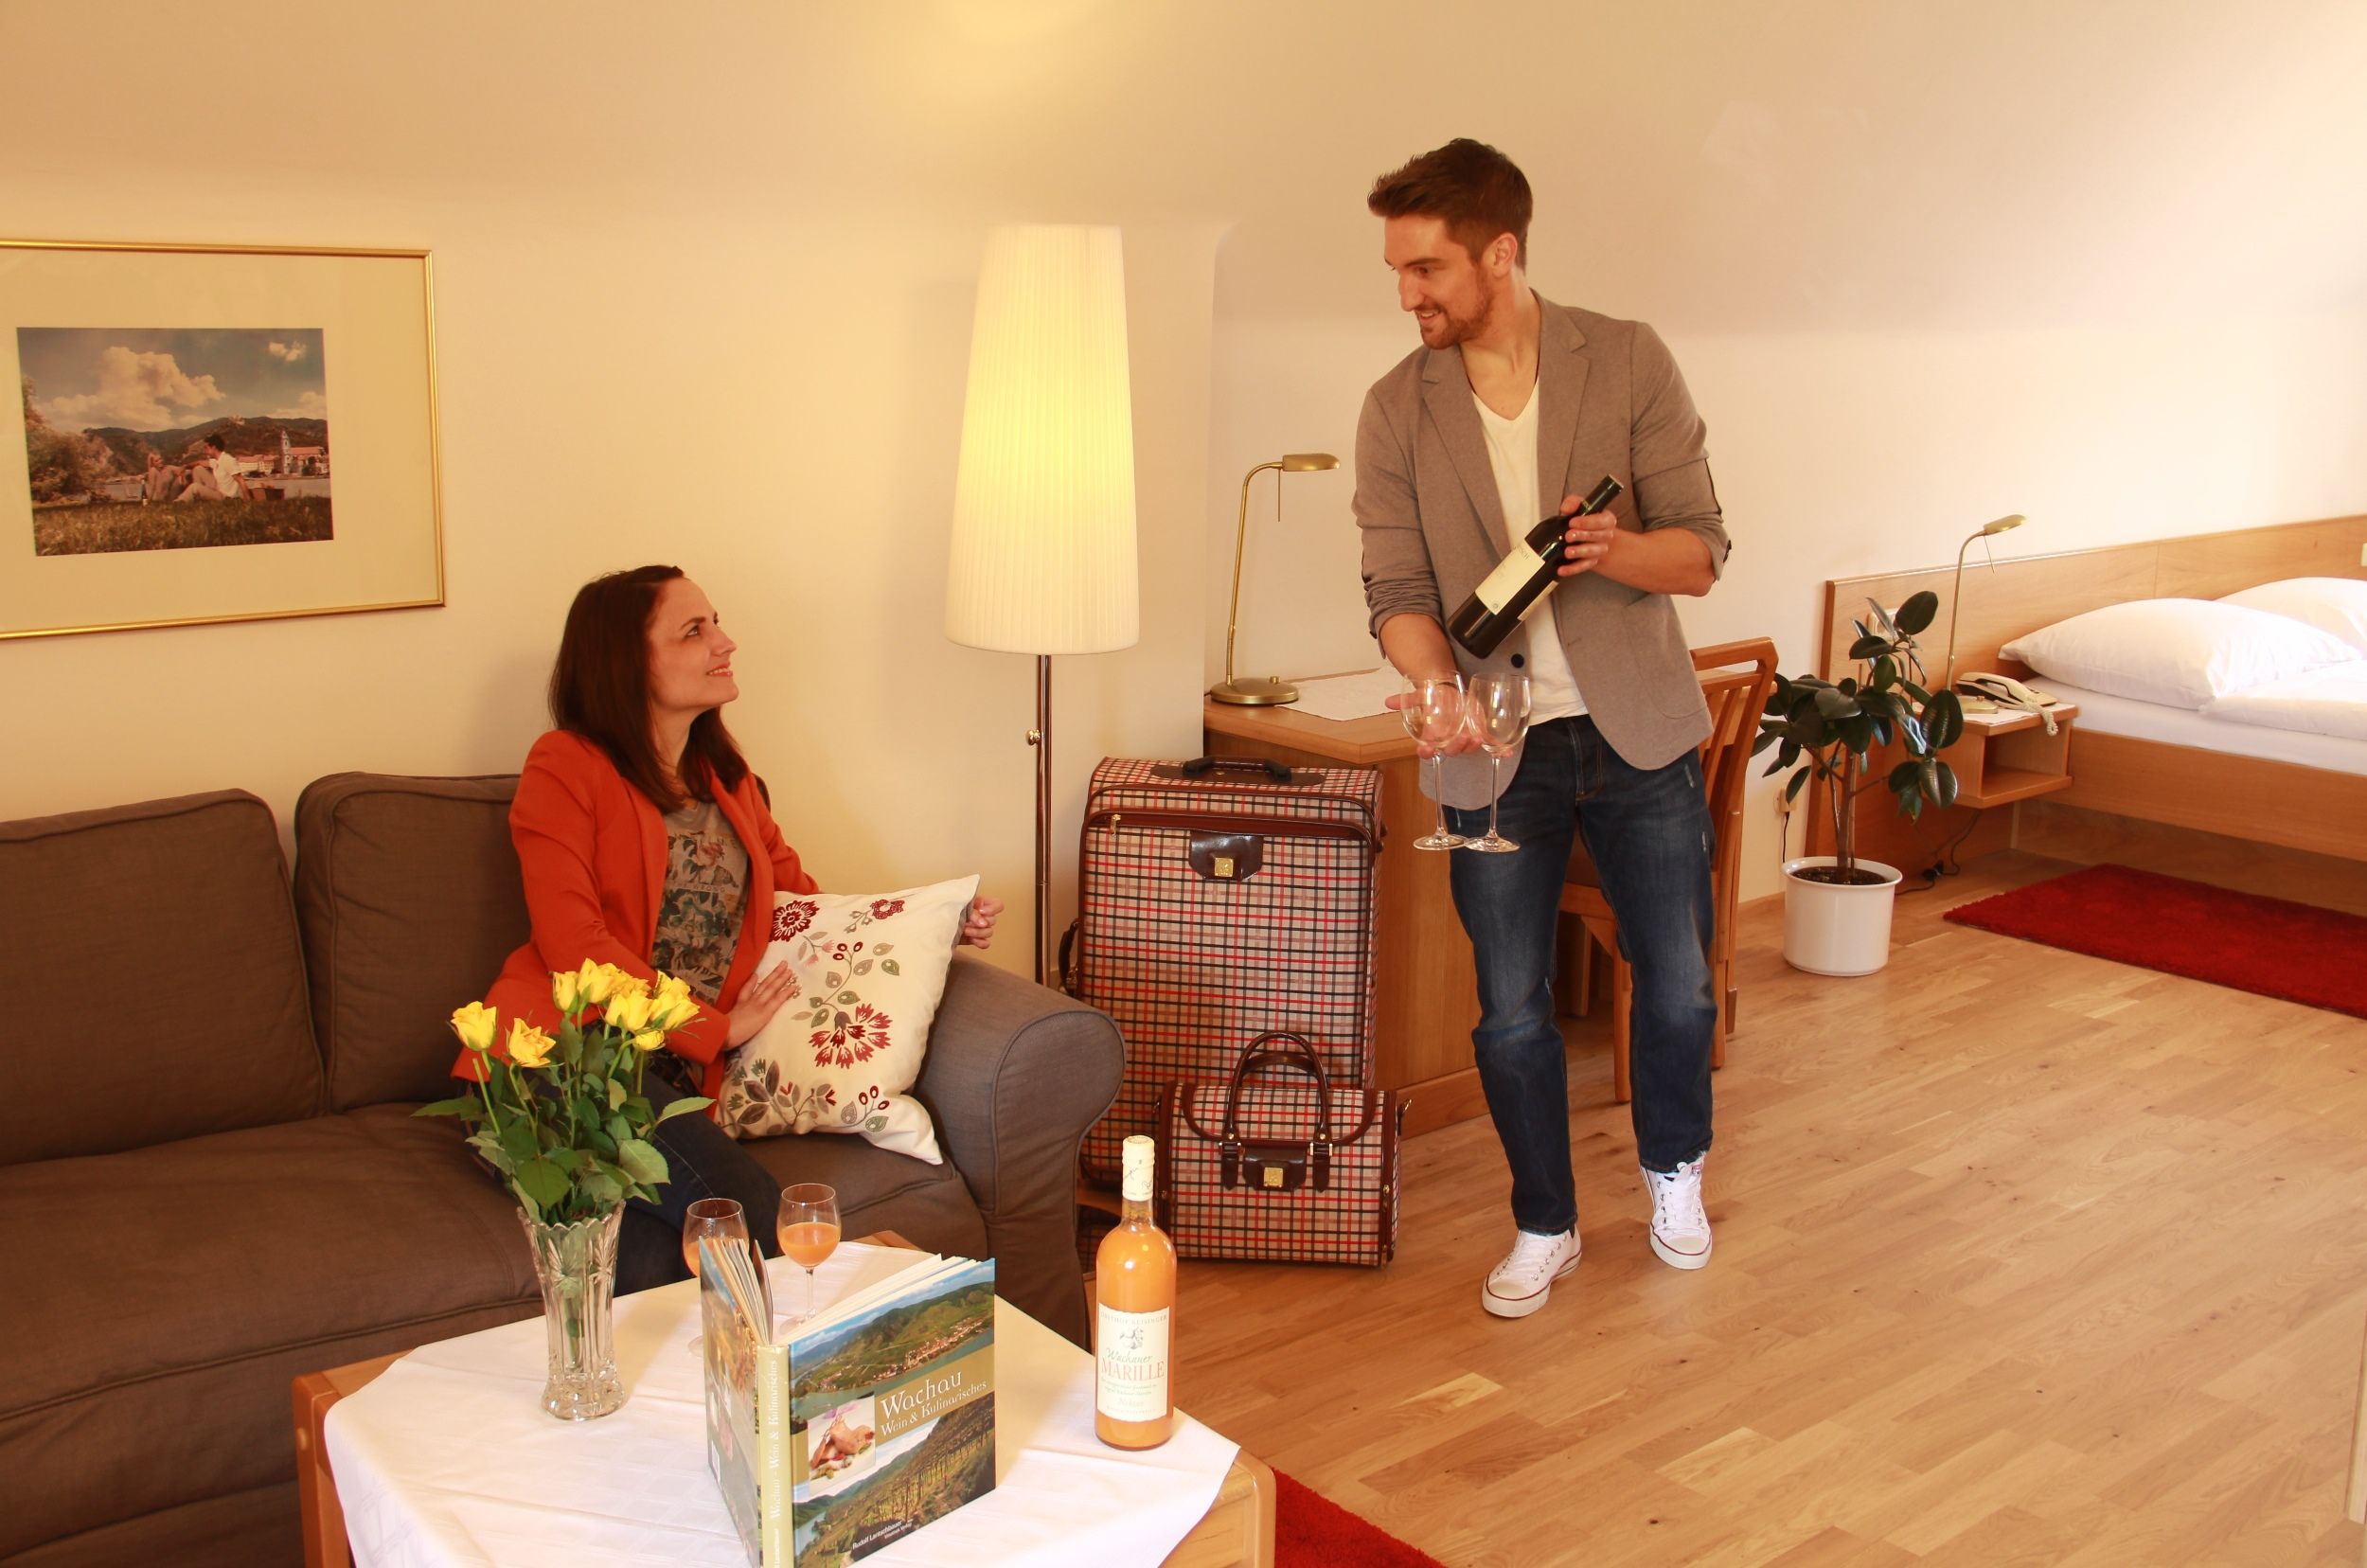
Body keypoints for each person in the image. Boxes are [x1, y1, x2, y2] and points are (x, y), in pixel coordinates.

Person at [1353, 139, 1730, 1318]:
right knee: (1509, 1006)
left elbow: (1704, 551)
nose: (1406, 294)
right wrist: (1433, 690)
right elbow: (1397, 597)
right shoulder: (1393, 409)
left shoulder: (1622, 360)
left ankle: (1674, 1172)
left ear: (1500, 254)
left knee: (1674, 984)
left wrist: (1612, 551)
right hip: (1489, 748)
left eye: (1425, 268)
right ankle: (1545, 1222)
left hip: (1642, 735)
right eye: (1397, 271)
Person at [456, 564, 1003, 1292]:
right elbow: (573, 947)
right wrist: (714, 1027)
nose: (726, 641)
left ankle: (752, 1392)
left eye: (715, 622)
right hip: (557, 1063)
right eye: (695, 630)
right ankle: (852, 1366)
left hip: (665, 1080)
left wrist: (925, 928)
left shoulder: (727, 775)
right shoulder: (565, 767)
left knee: (670, 1244)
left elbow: (801, 903)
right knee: (745, 1211)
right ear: (628, 659)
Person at [175, 435, 240, 501]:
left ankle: (178, 502)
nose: (205, 450)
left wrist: (247, 499)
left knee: (194, 487)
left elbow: (241, 481)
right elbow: (199, 462)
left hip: (224, 496)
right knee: (198, 469)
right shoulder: (217, 460)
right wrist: (185, 466)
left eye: (206, 448)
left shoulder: (228, 460)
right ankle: (198, 497)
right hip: (218, 487)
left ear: (214, 448)